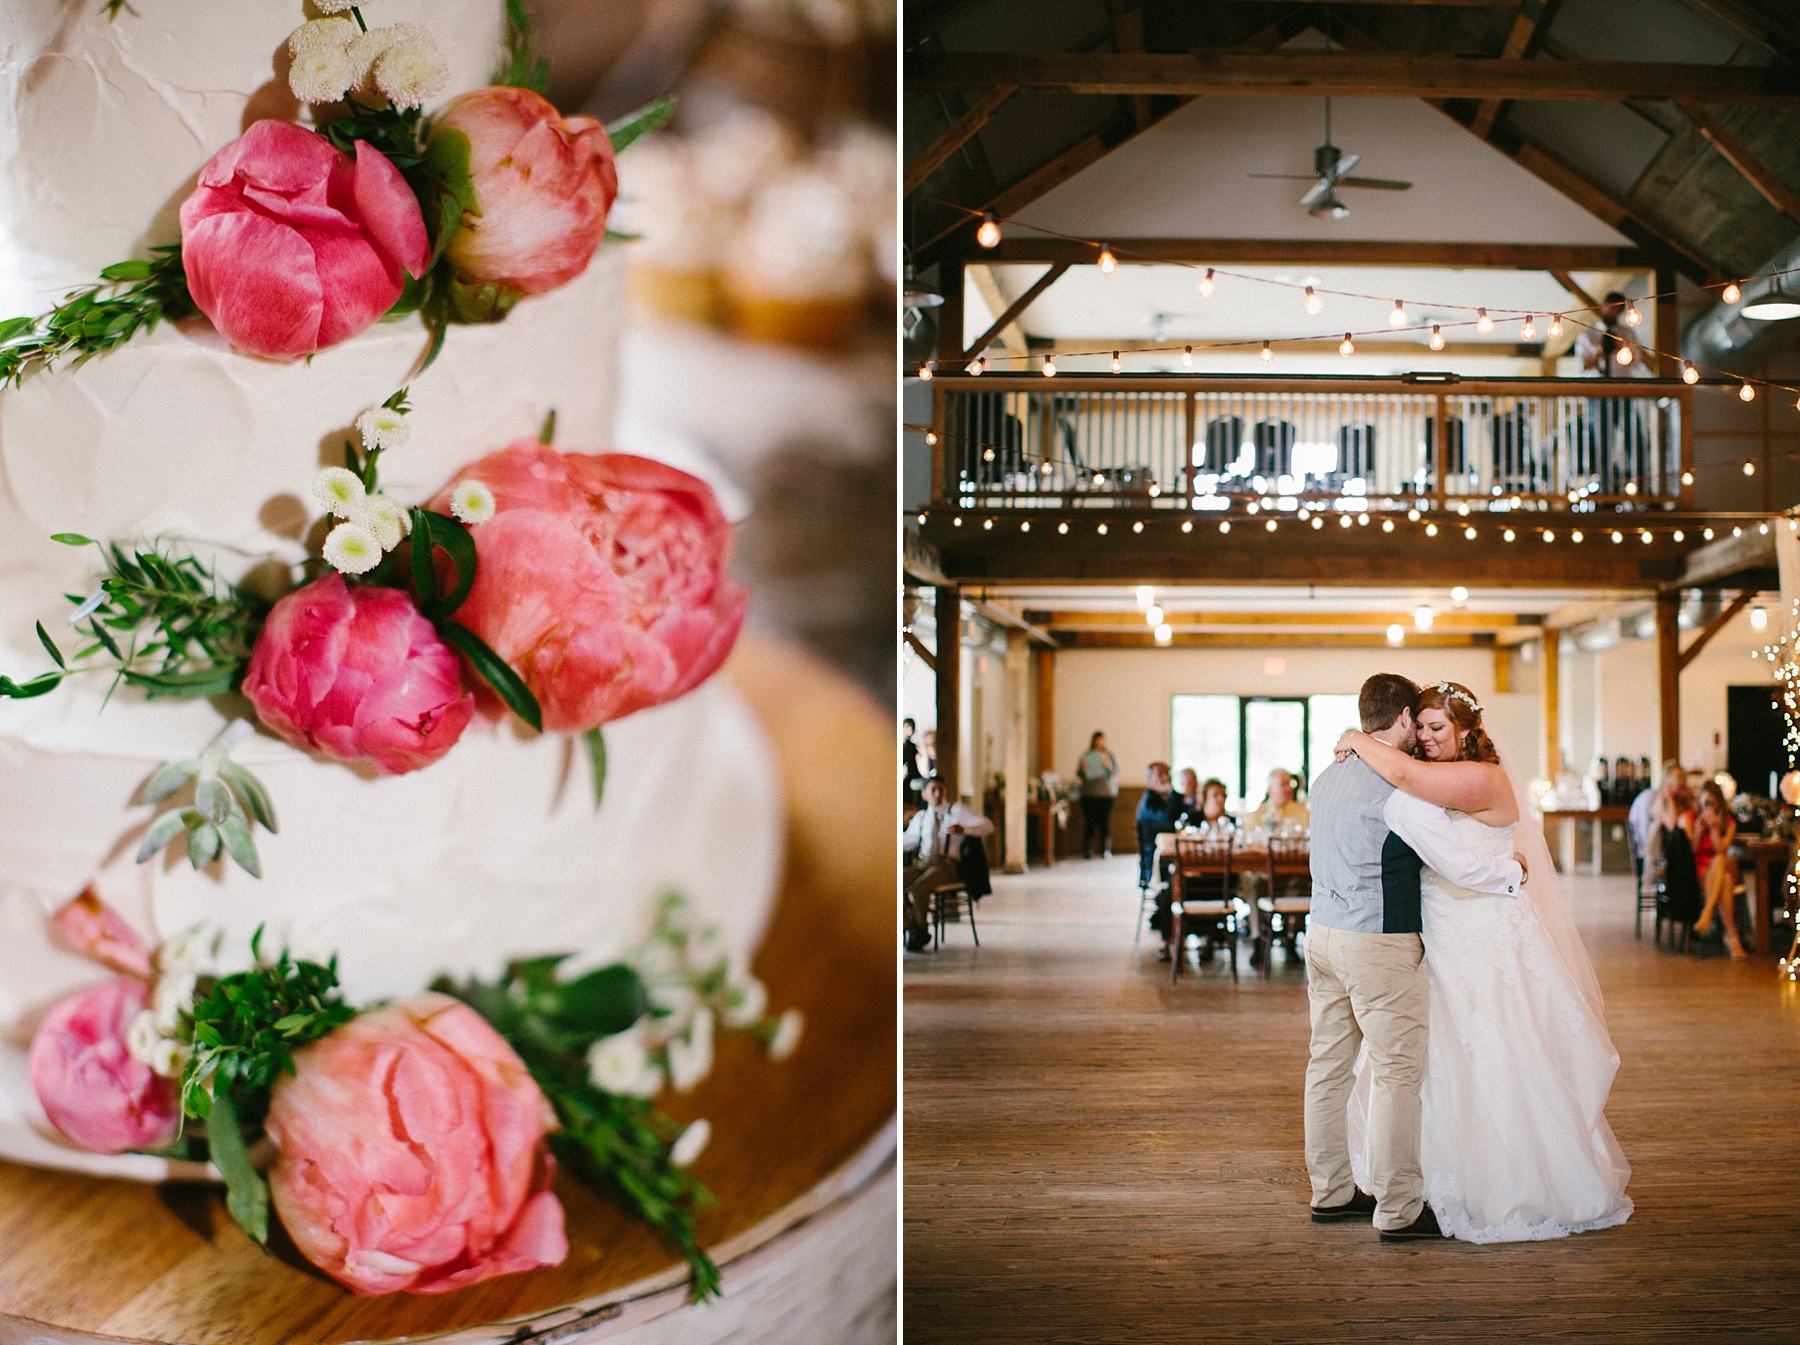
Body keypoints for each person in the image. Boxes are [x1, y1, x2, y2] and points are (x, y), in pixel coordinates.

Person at [1332, 679, 1634, 1244]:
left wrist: (1355, 735)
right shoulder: (1438, 777)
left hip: (1483, 935)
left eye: (1437, 728)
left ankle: (1499, 1185)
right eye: (1419, 727)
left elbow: (1401, 777)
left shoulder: (1481, 777)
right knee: (1431, 1055)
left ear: (1469, 732)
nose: (1423, 737)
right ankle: (1423, 1175)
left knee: (1494, 1047)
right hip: (1441, 934)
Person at [1303, 673, 1526, 1242]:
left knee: (1326, 1068)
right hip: (1377, 942)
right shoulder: (1404, 794)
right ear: (1404, 718)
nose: (1423, 736)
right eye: (1418, 723)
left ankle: (1331, 1192)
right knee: (1398, 1072)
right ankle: (1400, 1207)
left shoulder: (1326, 778)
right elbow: (1457, 864)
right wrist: (1510, 873)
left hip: (1322, 936)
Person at [901, 777, 994, 951]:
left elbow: (988, 826)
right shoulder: (921, 817)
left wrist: (965, 829)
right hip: (923, 863)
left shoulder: (956, 811)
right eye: (933, 790)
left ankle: (920, 931)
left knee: (919, 887)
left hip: (948, 865)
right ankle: (910, 926)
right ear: (924, 794)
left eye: (941, 789)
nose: (938, 794)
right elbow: (908, 842)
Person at [1693, 781, 1747, 960]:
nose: (1709, 806)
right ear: (1700, 799)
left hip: (1718, 868)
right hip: (1700, 871)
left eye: (1713, 802)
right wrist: (1699, 831)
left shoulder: (1728, 823)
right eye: (1706, 801)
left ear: (1719, 803)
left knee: (1721, 866)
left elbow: (1721, 850)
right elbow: (1691, 852)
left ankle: (1707, 913)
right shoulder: (1692, 817)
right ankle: (1732, 938)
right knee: (1724, 876)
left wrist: (1715, 828)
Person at [1135, 762, 1188, 890]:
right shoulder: (1147, 803)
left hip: (1174, 857)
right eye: (1160, 774)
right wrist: (1171, 792)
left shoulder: (1170, 798)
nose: (1166, 777)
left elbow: (1188, 814)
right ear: (1149, 781)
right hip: (1157, 865)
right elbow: (1168, 819)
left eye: (1167, 773)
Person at [1074, 731, 1119, 859]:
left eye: (1101, 741)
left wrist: (1108, 765)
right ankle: (1088, 850)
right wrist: (1082, 769)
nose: (1098, 743)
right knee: (1090, 822)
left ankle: (1106, 850)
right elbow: (1079, 774)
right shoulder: (1086, 755)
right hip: (1089, 793)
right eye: (1096, 741)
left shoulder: (1109, 755)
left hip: (1106, 794)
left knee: (1104, 822)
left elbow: (1115, 771)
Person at [1250, 768, 1310, 834]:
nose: (1289, 789)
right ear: (1270, 788)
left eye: (1289, 784)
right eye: (1283, 784)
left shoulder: (1303, 812)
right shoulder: (1256, 816)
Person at [901, 718, 926, 814]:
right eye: (907, 727)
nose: (910, 731)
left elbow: (916, 769)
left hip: (909, 783)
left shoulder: (913, 748)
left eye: (912, 728)